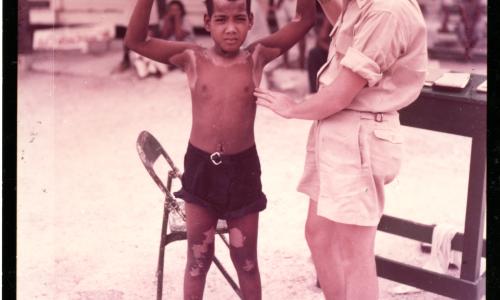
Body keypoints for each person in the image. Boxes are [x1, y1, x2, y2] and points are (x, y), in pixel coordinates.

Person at [125, 0, 315, 298]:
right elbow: (135, 41)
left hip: (243, 171)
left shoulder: (257, 56)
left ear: (251, 20)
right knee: (197, 261)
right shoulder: (191, 57)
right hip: (201, 171)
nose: (230, 28)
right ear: (207, 21)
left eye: (239, 19)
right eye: (221, 19)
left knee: (247, 262)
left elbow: (303, 20)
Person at [254, 0, 428, 299]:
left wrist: (294, 108)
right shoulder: (361, 4)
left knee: (354, 254)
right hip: (338, 129)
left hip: (359, 130)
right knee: (319, 235)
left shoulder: (388, 9)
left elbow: (342, 93)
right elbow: (345, 29)